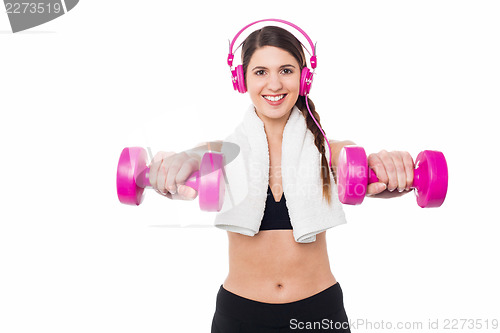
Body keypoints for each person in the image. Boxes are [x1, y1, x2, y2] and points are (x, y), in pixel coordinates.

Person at [148, 21, 415, 333]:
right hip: (240, 314)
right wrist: (178, 164)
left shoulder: (327, 150)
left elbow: (356, 162)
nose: (274, 84)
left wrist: (387, 167)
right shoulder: (223, 152)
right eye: (261, 72)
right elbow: (196, 157)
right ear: (242, 80)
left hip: (317, 311)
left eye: (286, 70)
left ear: (304, 78)